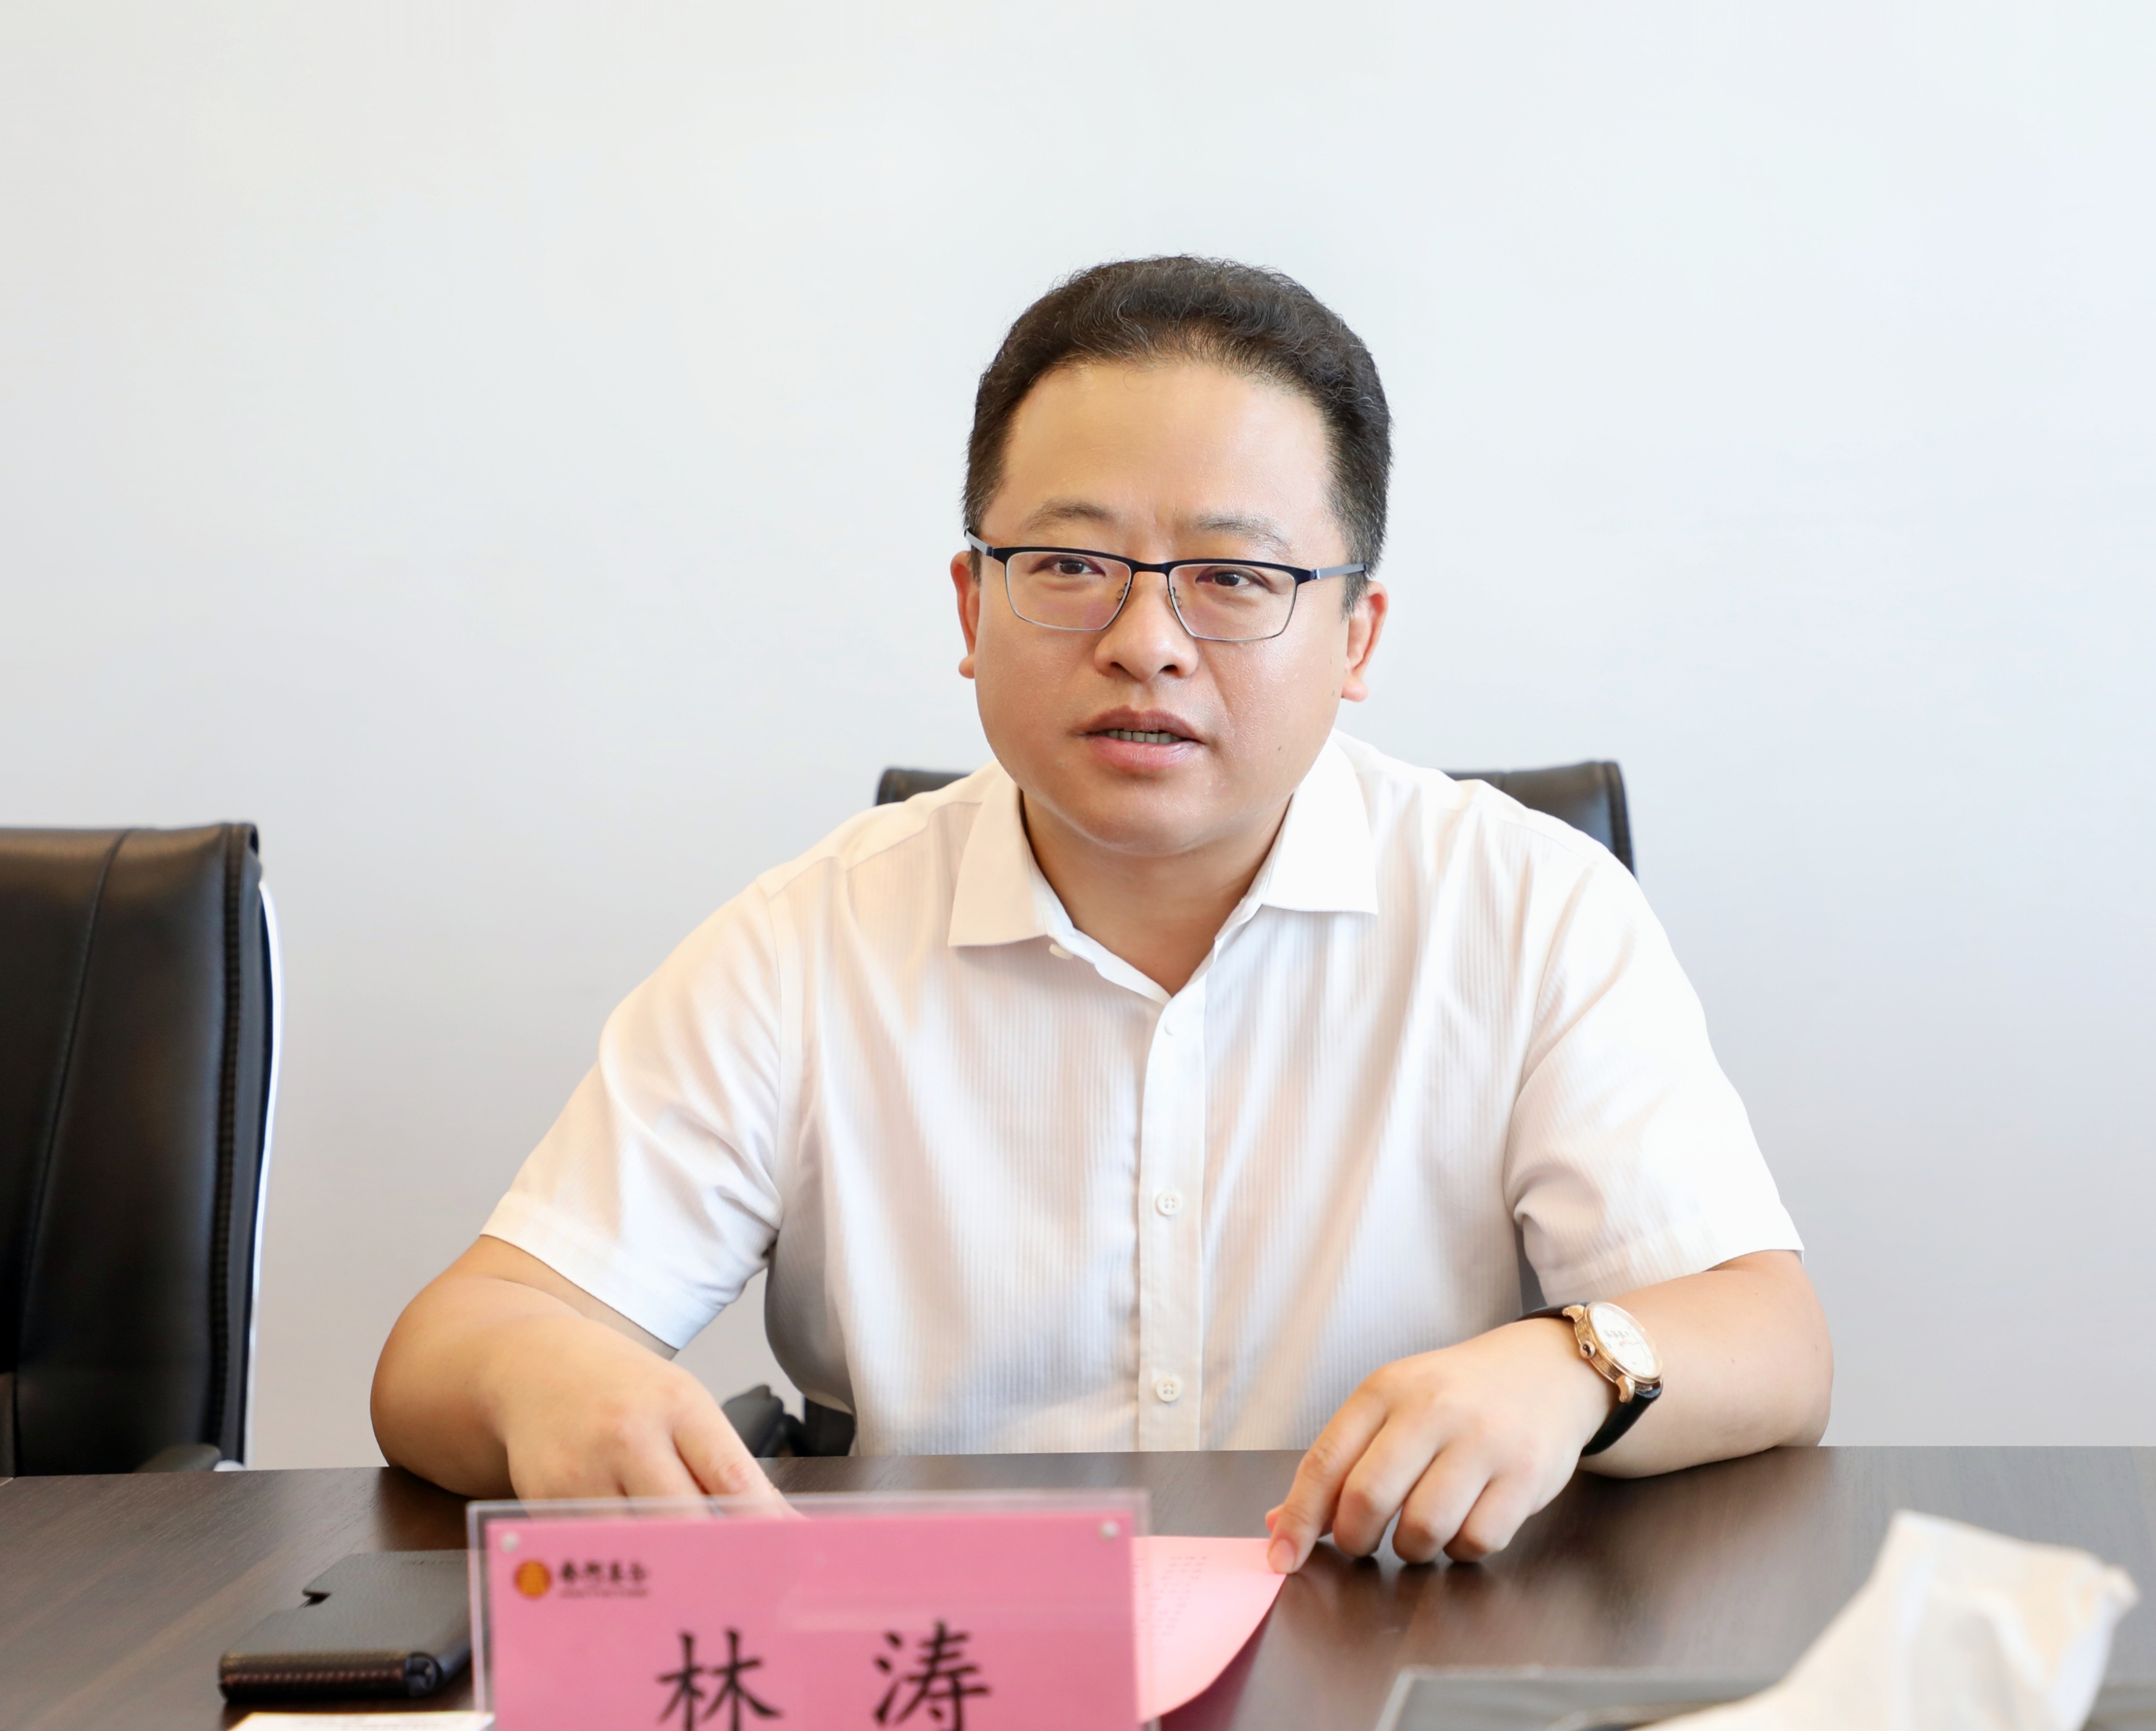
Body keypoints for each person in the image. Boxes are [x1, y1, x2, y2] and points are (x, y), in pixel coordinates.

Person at [372, 256, 1831, 1572]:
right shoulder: (806, 941)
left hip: (1391, 1646)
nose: (1146, 644)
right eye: (1071, 566)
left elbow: (1772, 1338)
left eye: (1235, 579)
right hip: (953, 1658)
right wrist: (544, 1377)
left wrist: (1574, 1363)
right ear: (972, 607)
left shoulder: (1528, 908)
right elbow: (447, 1348)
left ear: (1356, 635)